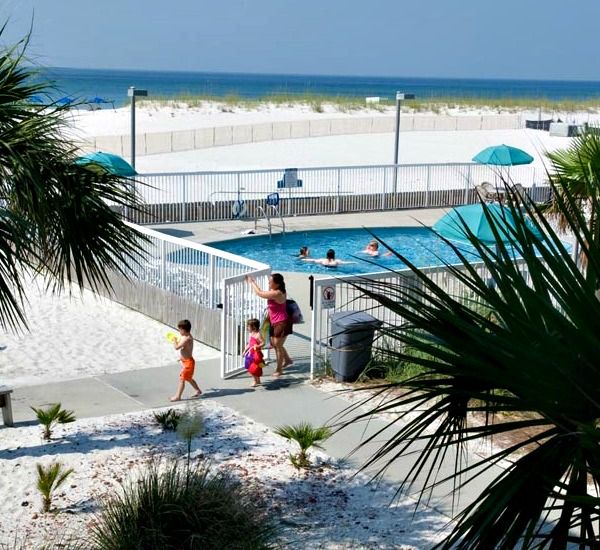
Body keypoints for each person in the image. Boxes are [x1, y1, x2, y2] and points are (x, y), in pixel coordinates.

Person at [246, 273, 292, 377]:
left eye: (270, 281)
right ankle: (288, 360)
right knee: (276, 345)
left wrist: (252, 282)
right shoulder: (275, 291)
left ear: (277, 284)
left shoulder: (277, 293)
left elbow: (260, 293)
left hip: (281, 322)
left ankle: (279, 369)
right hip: (274, 322)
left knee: (278, 346)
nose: (268, 283)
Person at [169, 319, 202, 401]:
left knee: (182, 379)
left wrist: (174, 341)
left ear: (183, 330)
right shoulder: (187, 336)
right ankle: (198, 390)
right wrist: (181, 358)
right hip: (187, 361)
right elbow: (186, 350)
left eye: (180, 330)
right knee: (189, 378)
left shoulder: (187, 339)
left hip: (188, 363)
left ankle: (178, 396)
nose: (179, 331)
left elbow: (176, 347)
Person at [242, 318, 264, 387]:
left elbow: (263, 343)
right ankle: (258, 380)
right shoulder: (251, 334)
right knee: (252, 367)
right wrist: (245, 350)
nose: (247, 328)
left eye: (248, 326)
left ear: (253, 327)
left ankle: (255, 381)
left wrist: (258, 345)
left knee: (254, 368)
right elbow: (249, 344)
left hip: (256, 355)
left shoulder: (258, 335)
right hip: (251, 354)